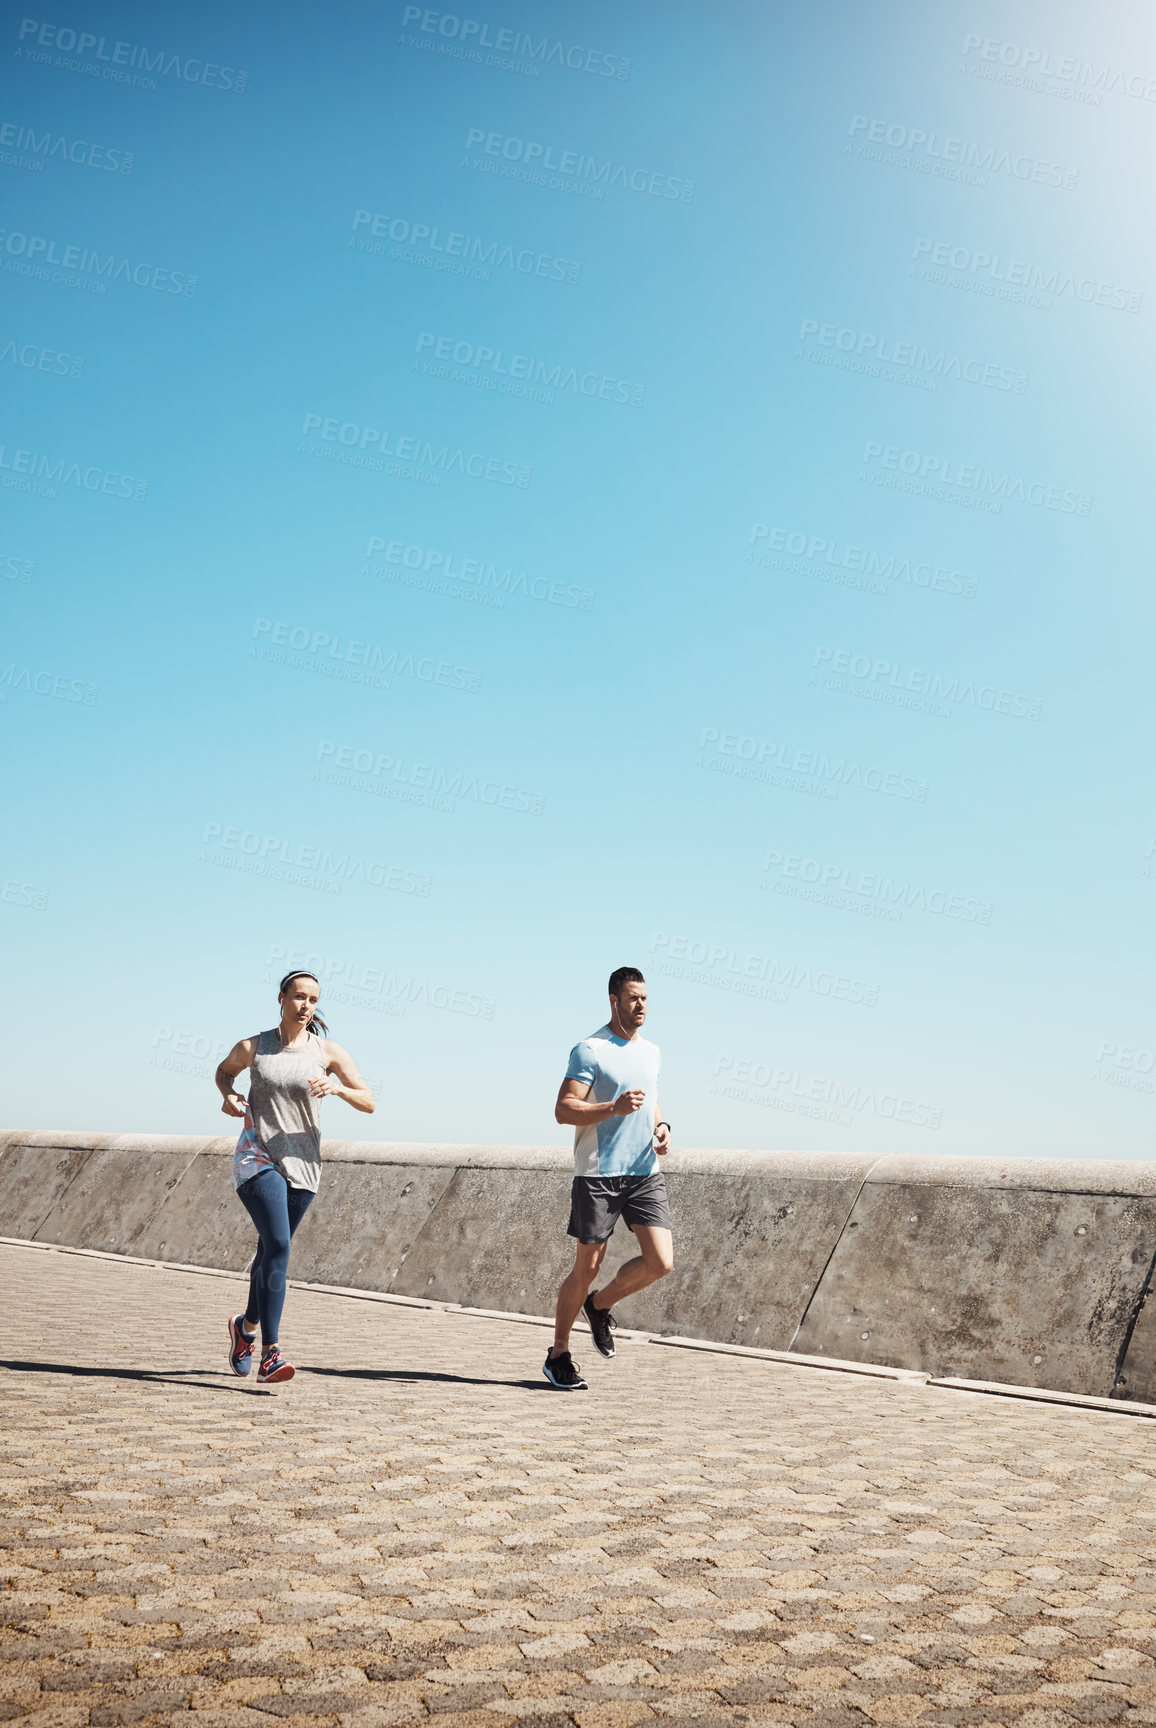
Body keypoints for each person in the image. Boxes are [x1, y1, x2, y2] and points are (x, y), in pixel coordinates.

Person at [214, 970, 374, 1384]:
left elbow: (369, 1101)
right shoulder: (254, 1046)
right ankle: (271, 1352)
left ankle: (245, 1327)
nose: (305, 1006)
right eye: (299, 997)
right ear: (281, 998)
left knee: (270, 1251)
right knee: (280, 1245)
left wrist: (337, 1089)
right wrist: (229, 1095)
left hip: (304, 1164)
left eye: (313, 1000)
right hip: (256, 1157)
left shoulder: (328, 1052)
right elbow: (223, 1072)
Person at [544, 967, 673, 1390]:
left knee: (661, 1262)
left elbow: (650, 1102)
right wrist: (611, 1109)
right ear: (614, 1000)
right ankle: (558, 1354)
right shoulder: (590, 1050)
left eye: (646, 999)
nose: (641, 1006)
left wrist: (662, 1125)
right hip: (599, 1174)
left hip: (643, 1173)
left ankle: (599, 1307)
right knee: (587, 1267)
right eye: (633, 998)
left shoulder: (651, 1052)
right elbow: (564, 1110)